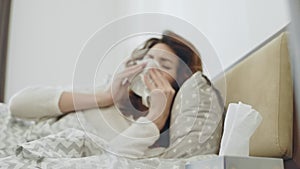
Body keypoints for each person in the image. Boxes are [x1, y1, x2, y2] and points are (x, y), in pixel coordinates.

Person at [9, 30, 222, 158]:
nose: (149, 65)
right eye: (147, 57)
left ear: (178, 83)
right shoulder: (105, 92)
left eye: (163, 64)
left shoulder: (148, 134)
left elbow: (112, 161)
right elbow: (17, 105)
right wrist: (104, 96)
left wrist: (155, 117)